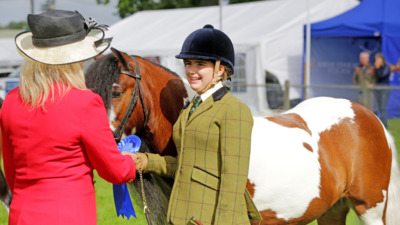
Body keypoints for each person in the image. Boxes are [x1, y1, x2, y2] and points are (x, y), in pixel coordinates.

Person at [0, 10, 138, 225]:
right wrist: (132, 160)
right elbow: (115, 171)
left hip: (21, 214)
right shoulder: (84, 103)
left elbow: (11, 171)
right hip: (69, 215)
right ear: (73, 60)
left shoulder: (11, 100)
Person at [134, 25, 262, 224]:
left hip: (211, 219)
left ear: (220, 69)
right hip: (182, 216)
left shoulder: (234, 110)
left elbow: (233, 181)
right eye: (188, 63)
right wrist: (146, 161)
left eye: (200, 64)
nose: (191, 71)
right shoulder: (188, 109)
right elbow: (184, 166)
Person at [373, 53, 391, 128]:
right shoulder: (375, 68)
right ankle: (378, 124)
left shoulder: (386, 67)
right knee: (378, 107)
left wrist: (377, 68)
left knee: (383, 107)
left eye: (377, 59)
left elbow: (381, 75)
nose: (376, 61)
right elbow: (374, 77)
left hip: (384, 89)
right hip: (377, 89)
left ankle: (385, 125)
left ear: (381, 59)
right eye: (375, 59)